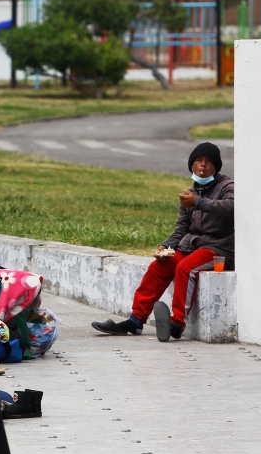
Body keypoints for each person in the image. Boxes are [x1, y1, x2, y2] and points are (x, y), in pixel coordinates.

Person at [92, 142, 234, 341]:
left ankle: (177, 323)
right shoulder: (189, 193)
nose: (203, 165)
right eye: (198, 161)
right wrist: (166, 246)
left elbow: (232, 207)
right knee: (159, 266)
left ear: (216, 166)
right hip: (193, 246)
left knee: (186, 268)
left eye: (208, 162)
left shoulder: (227, 186)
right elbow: (182, 228)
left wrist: (199, 203)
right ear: (191, 165)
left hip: (219, 249)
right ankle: (136, 319)